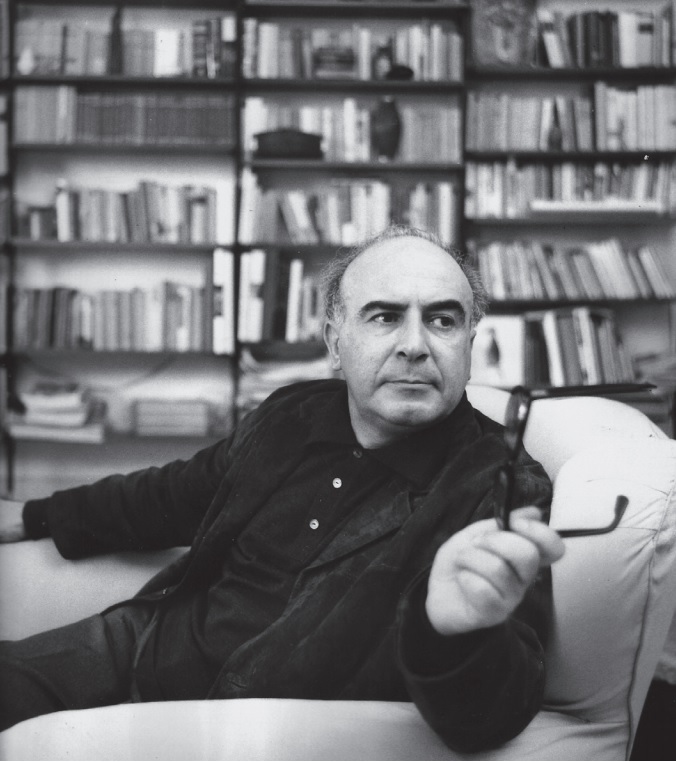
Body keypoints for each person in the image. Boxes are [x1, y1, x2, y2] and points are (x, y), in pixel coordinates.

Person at [0, 225, 564, 752]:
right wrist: (29, 516)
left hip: (246, 727)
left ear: (469, 344)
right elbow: (171, 495)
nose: (414, 345)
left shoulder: (503, 485)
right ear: (335, 342)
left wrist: (453, 631)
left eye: (442, 320)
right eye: (385, 317)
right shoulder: (291, 413)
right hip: (141, 644)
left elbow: (499, 706)